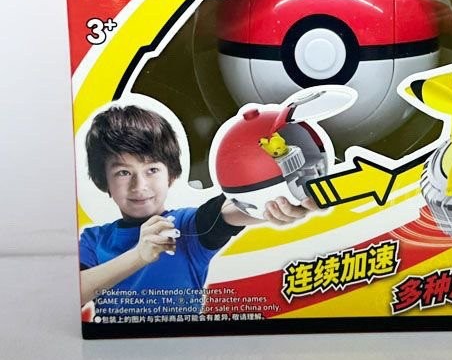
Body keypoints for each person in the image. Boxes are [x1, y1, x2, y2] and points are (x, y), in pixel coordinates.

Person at [79, 104, 315, 315]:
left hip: (185, 344)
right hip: (112, 345)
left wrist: (281, 198)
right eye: (123, 172)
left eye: (152, 170)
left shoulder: (185, 226)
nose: (139, 186)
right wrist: (138, 256)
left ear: (171, 175)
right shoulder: (93, 239)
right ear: (103, 180)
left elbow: (228, 210)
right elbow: (74, 294)